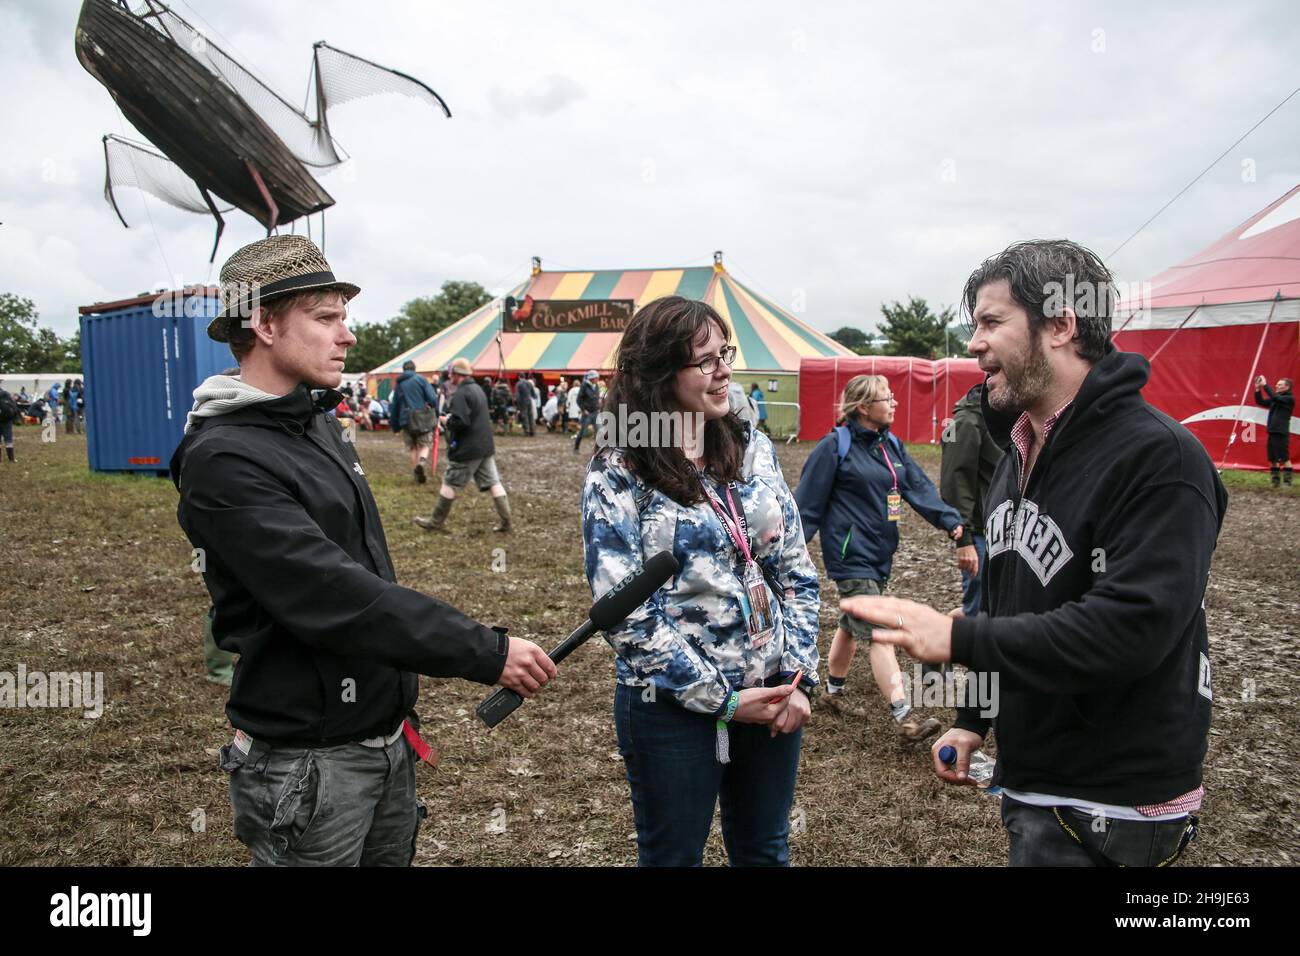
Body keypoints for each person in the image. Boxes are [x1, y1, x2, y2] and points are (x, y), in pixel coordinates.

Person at [170, 235, 555, 866]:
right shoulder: (224, 457)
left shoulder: (315, 423)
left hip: (383, 737)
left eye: (343, 317)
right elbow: (333, 596)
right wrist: (483, 650)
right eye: (326, 318)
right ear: (264, 324)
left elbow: (365, 569)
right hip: (307, 761)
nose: (346, 336)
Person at [843, 239, 1228, 867]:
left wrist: (956, 641)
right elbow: (1008, 603)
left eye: (991, 323)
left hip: (1111, 804)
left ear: (1061, 324)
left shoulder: (1160, 458)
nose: (973, 344)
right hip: (1037, 781)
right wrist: (975, 717)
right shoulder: (1021, 451)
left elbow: (1132, 628)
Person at [582, 296, 820, 867]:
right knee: (673, 858)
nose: (724, 371)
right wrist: (723, 700)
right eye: (705, 361)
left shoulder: (752, 446)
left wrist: (800, 675)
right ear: (660, 374)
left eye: (725, 354)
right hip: (671, 705)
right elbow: (623, 612)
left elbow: (796, 570)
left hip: (773, 693)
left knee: (765, 850)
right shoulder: (620, 469)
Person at [794, 374, 963, 743]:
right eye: (887, 398)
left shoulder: (892, 447)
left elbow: (918, 488)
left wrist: (950, 521)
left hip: (879, 555)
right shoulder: (832, 447)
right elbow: (806, 505)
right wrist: (790, 550)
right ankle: (905, 717)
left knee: (850, 623)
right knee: (880, 633)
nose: (894, 403)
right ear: (863, 408)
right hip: (850, 556)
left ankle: (833, 692)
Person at [414, 356, 513, 533]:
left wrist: (446, 421)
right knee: (494, 483)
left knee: (450, 482)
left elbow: (461, 422)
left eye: (451, 373)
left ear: (456, 374)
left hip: (468, 448)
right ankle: (507, 522)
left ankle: (436, 522)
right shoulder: (478, 390)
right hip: (485, 446)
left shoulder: (461, 393)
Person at [940, 383, 1003, 617]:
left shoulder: (1004, 417)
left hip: (1003, 532)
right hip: (980, 533)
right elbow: (954, 483)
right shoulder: (968, 421)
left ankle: (945, 637)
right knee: (978, 611)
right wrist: (963, 538)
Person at [389, 359, 439, 483]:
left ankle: (416, 474)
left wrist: (395, 425)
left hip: (405, 419)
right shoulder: (421, 380)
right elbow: (432, 398)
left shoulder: (399, 384)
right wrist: (433, 407)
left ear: (404, 370)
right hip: (422, 417)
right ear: (414, 369)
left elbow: (395, 405)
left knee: (413, 447)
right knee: (424, 444)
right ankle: (421, 464)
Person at [1254, 375, 1294, 487]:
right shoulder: (1276, 398)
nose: (1277, 386)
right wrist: (1257, 389)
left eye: (1280, 385)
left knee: (1284, 457)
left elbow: (1276, 398)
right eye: (1277, 384)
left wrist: (1265, 385)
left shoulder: (1288, 399)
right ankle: (1275, 482)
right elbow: (1260, 401)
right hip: (1272, 431)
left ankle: (1287, 482)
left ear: (1287, 387)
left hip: (1281, 432)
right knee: (1273, 458)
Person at [573, 369, 601, 453]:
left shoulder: (596, 386)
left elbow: (596, 397)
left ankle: (598, 450)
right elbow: (578, 399)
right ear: (592, 378)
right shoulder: (584, 386)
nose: (598, 379)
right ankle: (576, 448)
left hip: (595, 411)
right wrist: (583, 409)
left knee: (599, 432)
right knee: (583, 432)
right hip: (587, 412)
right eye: (596, 378)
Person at [0, 385, 18, 463]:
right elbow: (13, 407)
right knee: (8, 440)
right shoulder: (6, 394)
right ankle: (11, 459)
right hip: (7, 420)